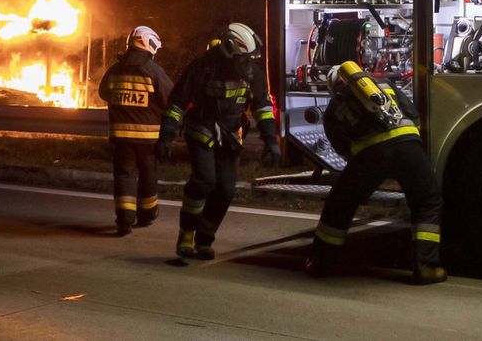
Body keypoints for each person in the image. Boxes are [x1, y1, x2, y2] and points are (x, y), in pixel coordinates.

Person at [305, 61, 447, 284]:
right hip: (409, 147)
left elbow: (342, 148)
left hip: (370, 157)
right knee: (427, 201)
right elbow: (413, 114)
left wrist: (364, 168)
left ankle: (322, 263)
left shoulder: (334, 108)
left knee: (340, 205)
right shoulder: (384, 84)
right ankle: (425, 266)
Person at [159, 22, 279, 259]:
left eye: (249, 58)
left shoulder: (251, 72)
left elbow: (262, 107)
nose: (247, 63)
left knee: (225, 190)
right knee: (204, 181)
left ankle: (205, 239)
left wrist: (271, 141)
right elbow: (177, 103)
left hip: (231, 135)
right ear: (229, 48)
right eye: (242, 58)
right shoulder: (203, 68)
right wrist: (166, 136)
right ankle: (186, 234)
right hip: (201, 130)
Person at [99, 25, 174, 236]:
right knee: (148, 173)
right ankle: (147, 214)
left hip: (121, 136)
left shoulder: (115, 69)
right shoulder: (153, 71)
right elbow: (169, 98)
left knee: (124, 175)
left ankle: (124, 220)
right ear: (148, 44)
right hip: (148, 138)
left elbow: (104, 92)